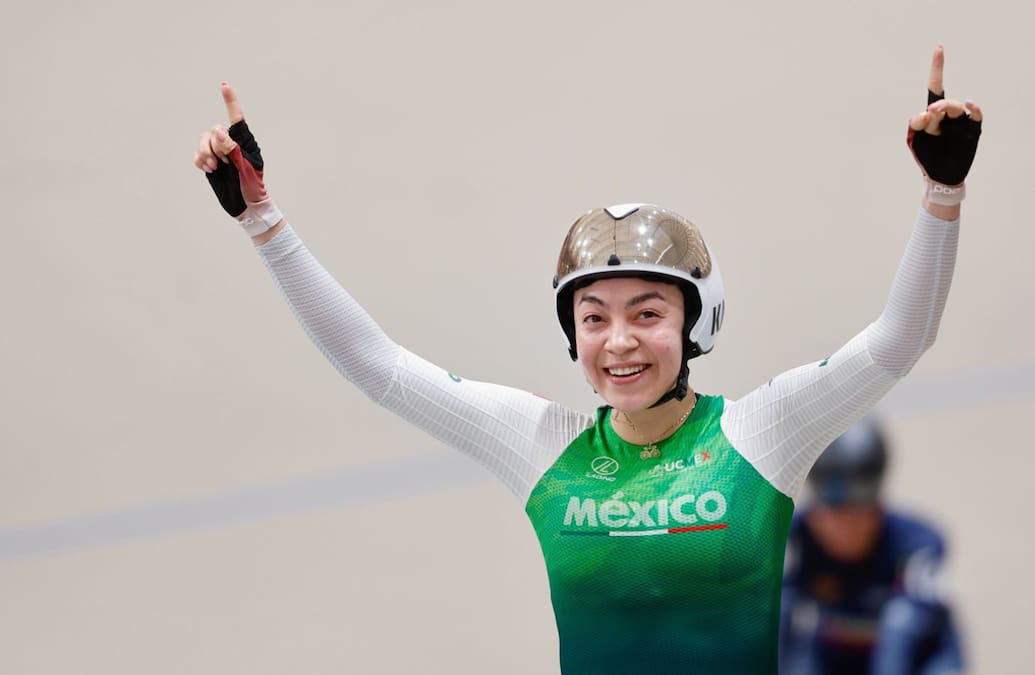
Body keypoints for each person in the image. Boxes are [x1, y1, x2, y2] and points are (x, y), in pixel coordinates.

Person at [191, 44, 982, 675]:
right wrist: (263, 220)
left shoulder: (762, 431)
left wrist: (941, 197)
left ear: (697, 321)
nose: (620, 341)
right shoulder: (542, 443)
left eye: (648, 313)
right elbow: (377, 365)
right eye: (594, 318)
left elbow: (898, 341)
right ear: (573, 335)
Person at [778, 417, 966, 675]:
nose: (846, 527)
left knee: (900, 623)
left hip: (919, 658)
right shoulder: (793, 539)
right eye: (835, 513)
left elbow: (907, 637)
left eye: (860, 512)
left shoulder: (918, 544)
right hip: (835, 657)